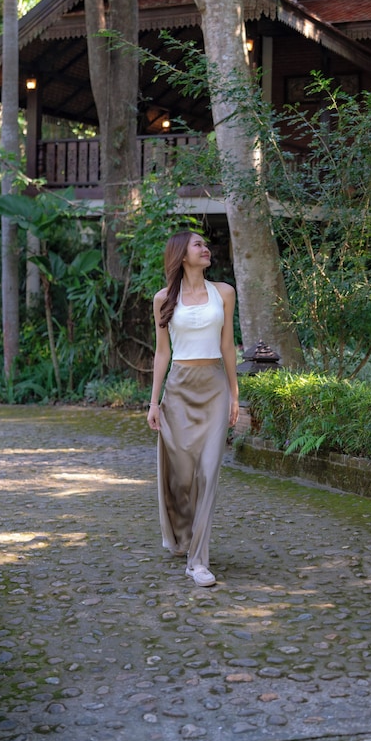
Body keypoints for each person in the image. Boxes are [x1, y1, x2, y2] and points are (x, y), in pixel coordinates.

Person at [147, 230, 239, 587]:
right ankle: (181, 534)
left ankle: (198, 561)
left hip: (214, 387)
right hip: (179, 389)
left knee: (208, 472)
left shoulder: (224, 292)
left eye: (205, 244)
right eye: (198, 244)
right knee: (181, 475)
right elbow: (162, 353)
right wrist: (154, 402)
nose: (206, 248)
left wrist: (234, 394)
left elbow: (228, 346)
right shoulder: (163, 299)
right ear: (182, 255)